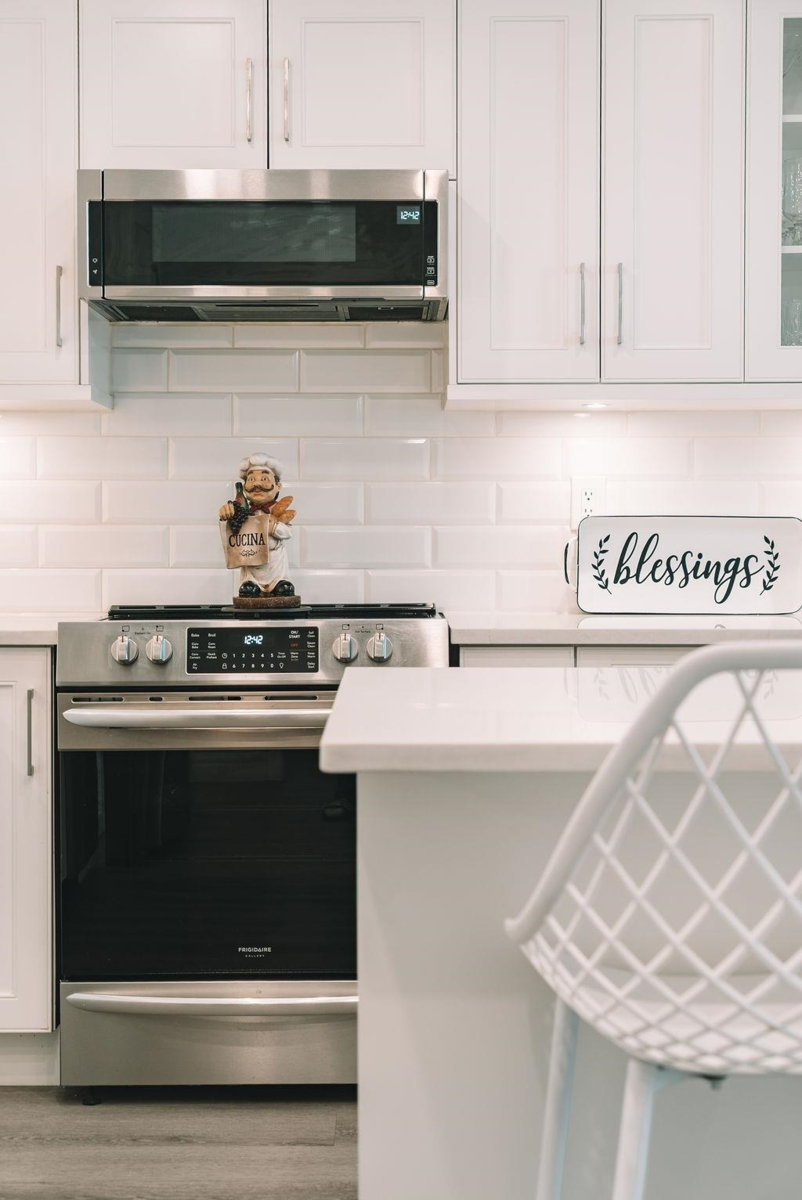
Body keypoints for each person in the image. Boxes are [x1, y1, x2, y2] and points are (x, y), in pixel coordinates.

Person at [218, 453, 296, 597]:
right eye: (251, 479)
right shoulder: (241, 511)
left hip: (275, 564)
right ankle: (251, 584)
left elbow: (288, 532)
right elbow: (231, 533)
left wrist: (273, 527)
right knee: (248, 589)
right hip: (251, 565)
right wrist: (225, 517)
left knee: (284, 588)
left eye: (264, 479)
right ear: (244, 487)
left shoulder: (279, 512)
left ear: (278, 486)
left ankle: (278, 583)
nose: (257, 484)